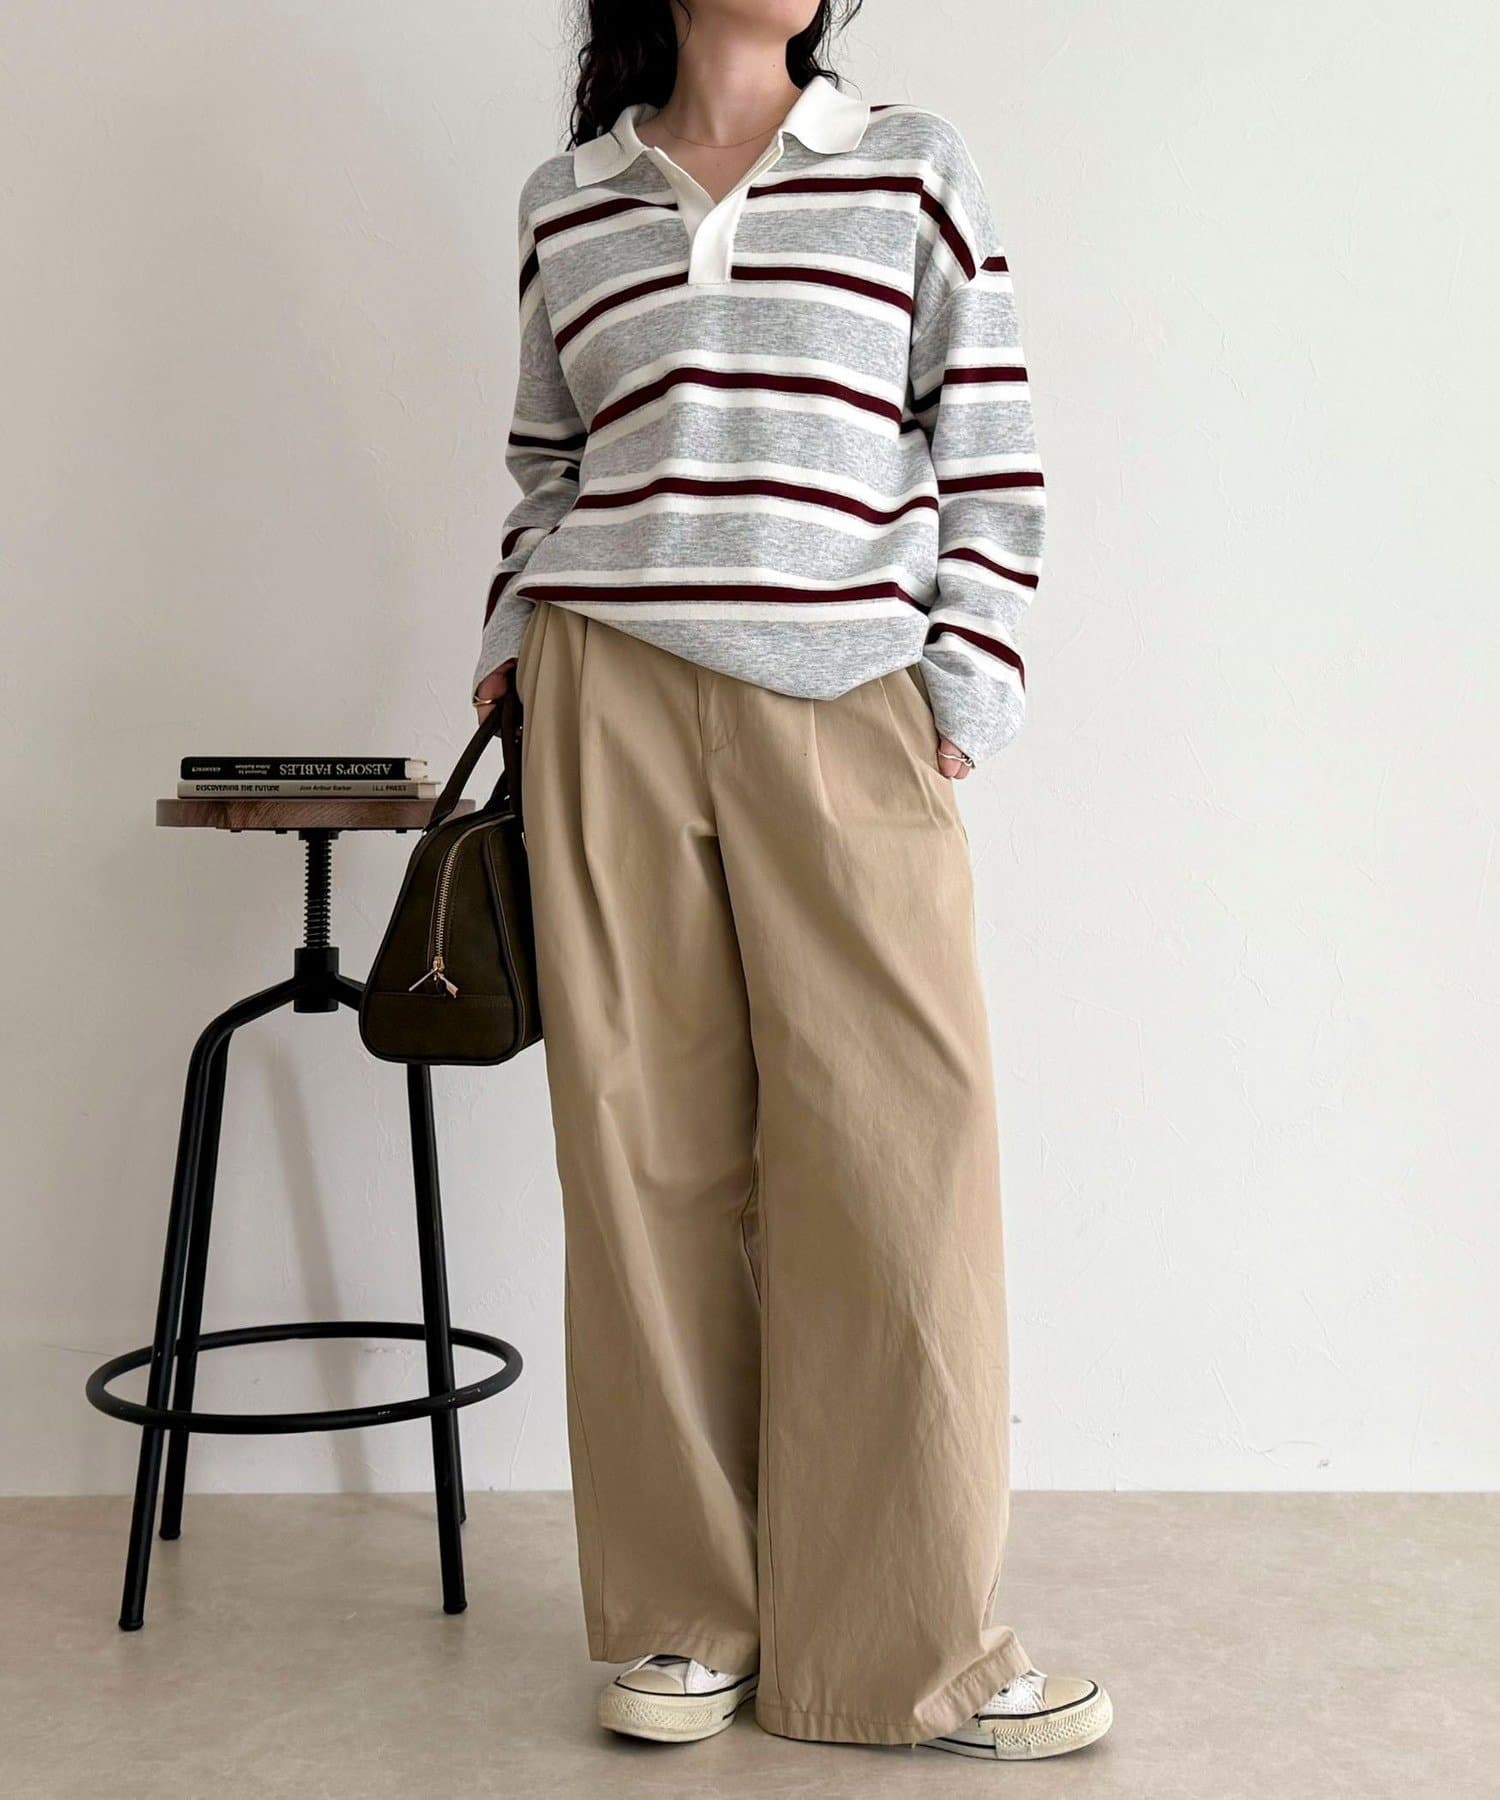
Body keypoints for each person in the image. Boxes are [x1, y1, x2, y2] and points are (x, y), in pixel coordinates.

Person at [471, 0, 1110, 1763]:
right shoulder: (571, 199)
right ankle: (686, 1621)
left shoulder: (907, 165)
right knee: (643, 1159)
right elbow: (547, 464)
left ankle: (906, 1648)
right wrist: (514, 640)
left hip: (848, 694)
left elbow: (988, 446)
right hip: (608, 693)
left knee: (900, 1152)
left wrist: (966, 686)